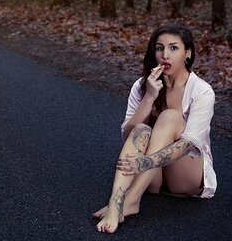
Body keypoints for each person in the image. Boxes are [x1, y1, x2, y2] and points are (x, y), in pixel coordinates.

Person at [93, 23, 217, 234]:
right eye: (160, 48)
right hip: (153, 179)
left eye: (173, 48)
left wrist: (145, 161)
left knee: (170, 117)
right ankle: (116, 203)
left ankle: (130, 201)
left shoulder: (203, 91)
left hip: (185, 177)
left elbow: (188, 145)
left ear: (188, 54)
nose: (165, 55)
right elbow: (128, 134)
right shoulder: (143, 86)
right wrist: (149, 97)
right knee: (141, 130)